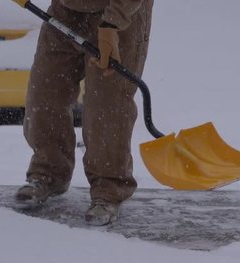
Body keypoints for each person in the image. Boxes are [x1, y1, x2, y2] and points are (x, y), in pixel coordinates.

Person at [15, 0, 154, 226]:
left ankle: (109, 189)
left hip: (119, 15)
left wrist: (113, 23)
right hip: (66, 9)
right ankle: (48, 172)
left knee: (107, 106)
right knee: (45, 93)